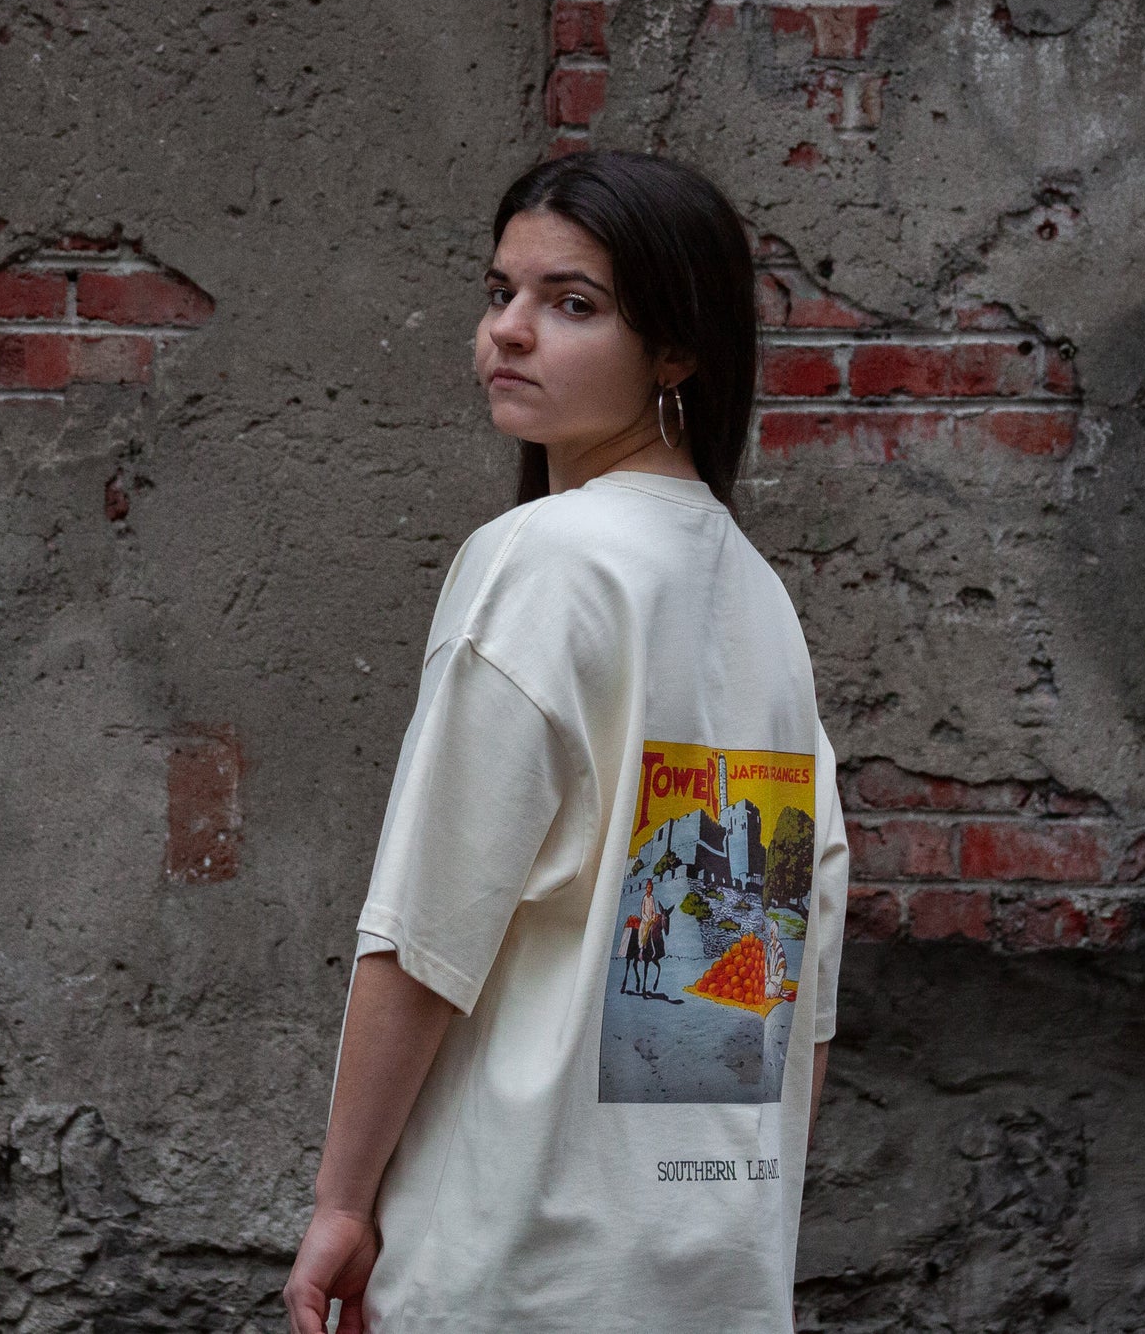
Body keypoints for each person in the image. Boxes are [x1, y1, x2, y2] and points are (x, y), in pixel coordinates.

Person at [283, 148, 851, 1334]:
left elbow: (428, 926)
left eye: (571, 303)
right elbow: (787, 994)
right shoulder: (758, 602)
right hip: (707, 1264)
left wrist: (341, 1201)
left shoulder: (544, 559)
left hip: (519, 1260)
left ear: (677, 351)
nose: (511, 331)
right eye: (500, 292)